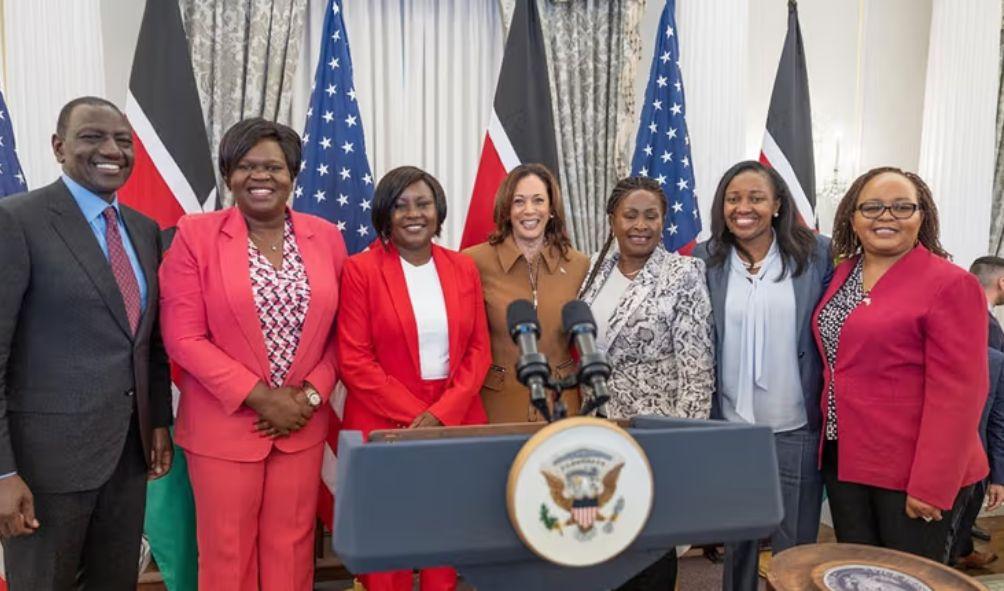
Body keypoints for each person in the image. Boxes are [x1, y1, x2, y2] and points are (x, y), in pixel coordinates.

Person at [160, 118, 347, 590]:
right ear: (228, 175)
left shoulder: (326, 236)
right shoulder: (195, 235)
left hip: (300, 426)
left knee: (292, 550)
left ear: (292, 175)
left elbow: (342, 332)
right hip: (225, 426)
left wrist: (306, 399)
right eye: (246, 166)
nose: (260, 177)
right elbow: (183, 336)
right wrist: (262, 398)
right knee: (227, 555)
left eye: (273, 167)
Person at [0, 96, 173, 589]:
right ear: (59, 147)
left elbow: (148, 340)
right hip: (43, 470)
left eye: (122, 140)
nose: (111, 150)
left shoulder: (143, 230)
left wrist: (158, 419)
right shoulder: (17, 221)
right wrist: (1, 474)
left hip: (127, 458)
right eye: (92, 137)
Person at [815, 166, 988, 562]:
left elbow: (960, 394)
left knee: (908, 580)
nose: (886, 217)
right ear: (852, 218)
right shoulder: (844, 272)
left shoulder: (951, 284)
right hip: (846, 460)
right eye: (872, 207)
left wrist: (932, 483)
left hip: (913, 469)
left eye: (901, 207)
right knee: (856, 574)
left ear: (921, 216)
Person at [337, 166, 490, 591]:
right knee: (390, 536)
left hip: (453, 414)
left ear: (438, 212)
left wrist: (441, 414)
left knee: (444, 531)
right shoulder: (360, 270)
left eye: (422, 203)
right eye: (401, 205)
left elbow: (478, 351)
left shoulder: (463, 268)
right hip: (382, 418)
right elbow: (354, 359)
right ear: (385, 214)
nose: (413, 214)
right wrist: (417, 416)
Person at [692, 160, 832, 590]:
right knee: (739, 540)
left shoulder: (817, 254)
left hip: (795, 424)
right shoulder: (705, 259)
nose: (743, 207)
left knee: (795, 545)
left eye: (755, 197)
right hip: (732, 428)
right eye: (733, 199)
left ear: (776, 205)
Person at [578, 177, 714, 589]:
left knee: (649, 548)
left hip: (654, 433)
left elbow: (698, 369)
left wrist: (681, 443)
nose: (641, 225)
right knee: (604, 536)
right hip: (599, 428)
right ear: (612, 220)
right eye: (630, 215)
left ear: (663, 221)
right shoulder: (596, 271)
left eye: (651, 216)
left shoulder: (684, 272)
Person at [463, 163, 590, 422]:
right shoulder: (473, 261)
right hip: (498, 404)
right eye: (518, 201)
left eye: (538, 200)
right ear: (507, 209)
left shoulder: (579, 264)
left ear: (552, 209)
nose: (529, 210)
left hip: (563, 404)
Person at [951, 256, 1004, 568]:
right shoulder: (989, 331)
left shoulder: (963, 320)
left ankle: (962, 552)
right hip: (971, 449)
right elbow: (991, 407)